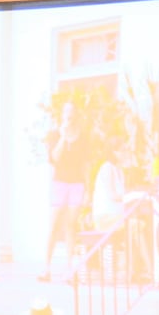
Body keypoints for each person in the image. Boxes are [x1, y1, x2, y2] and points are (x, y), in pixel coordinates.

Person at [41, 99, 93, 282]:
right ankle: (46, 268)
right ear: (62, 115)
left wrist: (89, 190)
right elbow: (54, 158)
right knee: (54, 224)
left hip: (77, 184)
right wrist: (63, 136)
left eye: (72, 111)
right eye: (66, 111)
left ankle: (69, 269)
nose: (69, 114)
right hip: (60, 183)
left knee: (71, 225)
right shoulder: (55, 134)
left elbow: (87, 164)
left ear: (76, 114)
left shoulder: (84, 137)